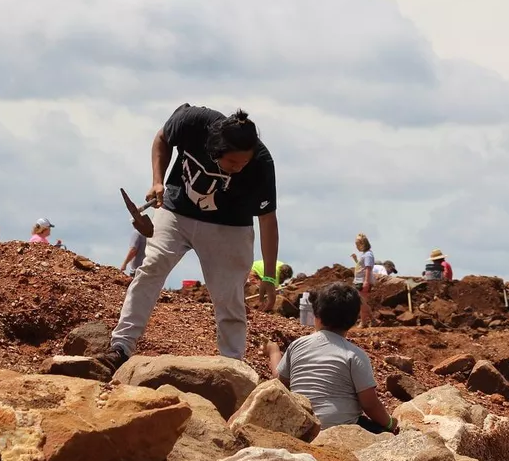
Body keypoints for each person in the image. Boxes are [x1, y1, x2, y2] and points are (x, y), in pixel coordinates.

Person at [98, 104, 279, 374]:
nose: (239, 168)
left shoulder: (261, 163)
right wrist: (157, 181)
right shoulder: (192, 121)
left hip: (229, 228)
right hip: (177, 211)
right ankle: (120, 347)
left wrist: (269, 277)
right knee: (150, 269)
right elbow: (162, 139)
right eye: (232, 162)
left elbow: (267, 220)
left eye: (244, 162)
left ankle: (232, 367)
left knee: (229, 296)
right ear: (216, 149)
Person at [263, 282, 399, 434]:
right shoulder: (355, 355)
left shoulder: (297, 345)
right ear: (354, 321)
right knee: (385, 434)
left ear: (317, 315)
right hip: (341, 429)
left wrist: (274, 352)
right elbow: (370, 404)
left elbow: (279, 381)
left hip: (302, 426)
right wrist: (390, 424)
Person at [350, 233, 374, 327]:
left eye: (357, 245)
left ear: (362, 244)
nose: (356, 247)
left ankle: (372, 319)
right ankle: (363, 322)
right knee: (362, 303)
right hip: (360, 280)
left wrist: (366, 282)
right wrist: (356, 260)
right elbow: (361, 267)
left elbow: (368, 268)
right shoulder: (365, 254)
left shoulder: (368, 255)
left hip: (363, 280)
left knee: (361, 302)